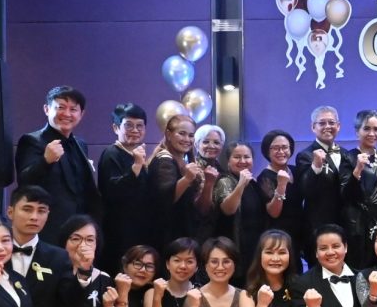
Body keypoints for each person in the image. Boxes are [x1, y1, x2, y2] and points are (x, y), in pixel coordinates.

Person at [15, 86, 101, 244]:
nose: (67, 114)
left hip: (79, 229)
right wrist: (45, 161)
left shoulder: (80, 144)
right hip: (50, 228)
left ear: (81, 114)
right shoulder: (32, 141)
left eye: (73, 109)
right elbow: (24, 181)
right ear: (47, 109)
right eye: (60, 107)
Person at [97, 103, 154, 272]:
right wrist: (136, 166)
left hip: (139, 231)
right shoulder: (111, 154)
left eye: (139, 126)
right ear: (116, 128)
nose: (135, 130)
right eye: (128, 125)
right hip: (119, 233)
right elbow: (113, 192)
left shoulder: (138, 154)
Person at [342, 110, 377, 268]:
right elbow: (345, 194)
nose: (372, 133)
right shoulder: (348, 157)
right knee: (360, 268)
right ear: (357, 132)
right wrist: (358, 169)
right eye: (366, 128)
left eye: (376, 129)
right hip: (358, 226)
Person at [296, 106, 346, 265]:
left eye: (331, 122)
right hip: (318, 228)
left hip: (345, 227)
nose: (327, 127)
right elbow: (304, 190)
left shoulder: (347, 154)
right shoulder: (305, 155)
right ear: (313, 127)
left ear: (338, 126)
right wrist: (316, 166)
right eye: (322, 123)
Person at [147, 114, 204, 247]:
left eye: (191, 135)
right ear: (168, 134)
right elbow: (166, 197)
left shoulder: (181, 160)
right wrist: (187, 178)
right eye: (182, 134)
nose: (187, 139)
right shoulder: (164, 160)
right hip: (169, 239)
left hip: (182, 236)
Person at [214, 140, 265, 284]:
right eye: (237, 157)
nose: (242, 161)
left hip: (254, 246)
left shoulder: (253, 183)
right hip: (235, 247)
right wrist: (241, 184)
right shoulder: (225, 181)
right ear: (228, 161)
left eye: (247, 157)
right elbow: (228, 210)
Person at [259, 130, 306, 268]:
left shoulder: (295, 170)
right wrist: (281, 185)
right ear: (267, 151)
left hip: (299, 231)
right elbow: (273, 212)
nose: (281, 151)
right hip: (280, 234)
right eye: (275, 148)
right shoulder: (265, 177)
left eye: (285, 147)